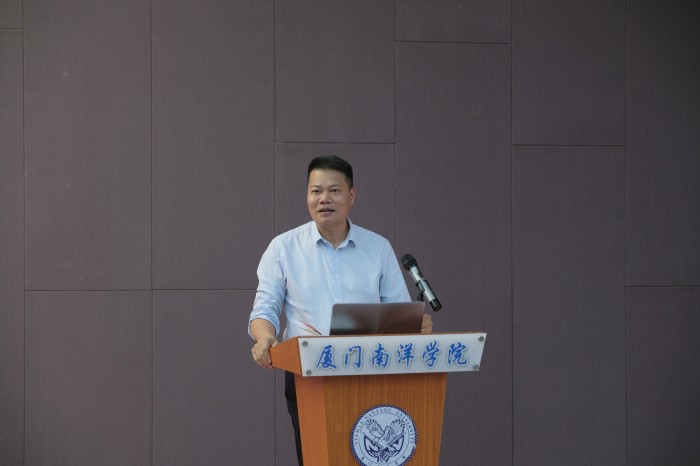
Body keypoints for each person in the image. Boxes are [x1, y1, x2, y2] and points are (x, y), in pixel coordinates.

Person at [248, 155, 432, 465]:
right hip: (308, 374)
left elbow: (399, 312)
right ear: (307, 196)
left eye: (334, 190)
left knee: (371, 455)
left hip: (371, 371)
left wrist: (413, 324)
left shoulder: (378, 248)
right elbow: (264, 309)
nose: (324, 199)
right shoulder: (283, 248)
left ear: (351, 195)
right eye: (316, 191)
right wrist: (264, 337)